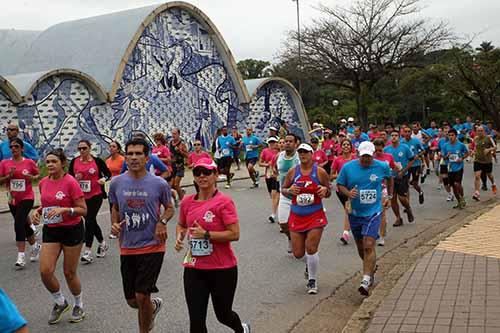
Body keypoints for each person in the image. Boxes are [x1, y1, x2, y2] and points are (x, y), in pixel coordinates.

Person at [175, 158, 251, 333]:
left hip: (222, 268)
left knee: (223, 315)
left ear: (216, 175)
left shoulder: (224, 202)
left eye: (207, 172)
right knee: (196, 321)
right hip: (194, 268)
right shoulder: (187, 202)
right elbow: (181, 224)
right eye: (197, 172)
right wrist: (180, 235)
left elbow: (235, 234)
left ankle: (241, 329)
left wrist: (207, 234)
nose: (202, 176)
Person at [109, 138, 174, 333]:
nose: (134, 157)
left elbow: (169, 208)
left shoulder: (159, 183)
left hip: (153, 245)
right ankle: (152, 308)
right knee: (132, 300)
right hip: (127, 246)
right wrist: (114, 224)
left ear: (147, 157)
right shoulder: (116, 183)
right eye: (130, 153)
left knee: (141, 295)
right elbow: (115, 207)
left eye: (139, 153)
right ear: (125, 157)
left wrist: (162, 222)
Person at [31, 149, 87, 325]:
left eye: (54, 161)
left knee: (69, 272)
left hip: (72, 229)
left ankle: (79, 304)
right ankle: (60, 302)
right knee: (45, 271)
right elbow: (48, 203)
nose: (50, 165)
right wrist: (39, 211)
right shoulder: (43, 183)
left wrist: (66, 210)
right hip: (52, 230)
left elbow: (83, 210)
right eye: (47, 162)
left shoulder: (71, 182)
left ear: (62, 163)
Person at [337, 141, 393, 296]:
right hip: (355, 213)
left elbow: (390, 178)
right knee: (362, 249)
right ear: (358, 154)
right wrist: (348, 194)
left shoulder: (382, 166)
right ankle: (370, 267)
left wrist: (388, 195)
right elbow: (340, 185)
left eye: (369, 156)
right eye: (363, 157)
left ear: (374, 154)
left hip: (373, 212)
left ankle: (366, 280)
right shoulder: (348, 168)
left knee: (369, 244)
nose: (366, 160)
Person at [282, 143, 331, 294]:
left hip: (315, 215)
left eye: (305, 152)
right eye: (300, 152)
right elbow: (283, 190)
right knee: (298, 253)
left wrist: (325, 190)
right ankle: (310, 264)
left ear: (312, 154)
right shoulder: (293, 172)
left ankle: (312, 280)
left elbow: (329, 191)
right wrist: (289, 190)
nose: (303, 155)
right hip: (297, 215)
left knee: (311, 248)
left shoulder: (320, 172)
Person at [69, 140, 111, 264]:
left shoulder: (97, 161)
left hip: (95, 195)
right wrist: (75, 179)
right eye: (80, 148)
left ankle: (87, 251)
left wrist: (103, 179)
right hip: (81, 196)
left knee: (89, 220)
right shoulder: (74, 161)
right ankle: (102, 243)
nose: (82, 151)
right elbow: (69, 177)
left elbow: (108, 174)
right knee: (91, 221)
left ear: (90, 148)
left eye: (84, 148)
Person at [0, 138, 40, 268]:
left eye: (16, 146)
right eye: (11, 147)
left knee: (18, 223)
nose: (13, 149)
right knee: (23, 224)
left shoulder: (29, 162)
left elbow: (37, 175)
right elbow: (0, 181)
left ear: (22, 149)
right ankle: (35, 246)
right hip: (12, 199)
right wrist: (8, 177)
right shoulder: (4, 163)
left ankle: (21, 255)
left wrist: (31, 177)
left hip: (27, 197)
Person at [275, 134, 300, 253]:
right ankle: (290, 238)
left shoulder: (299, 157)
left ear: (296, 143)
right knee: (283, 223)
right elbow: (274, 168)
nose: (287, 143)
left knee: (301, 224)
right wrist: (275, 175)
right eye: (286, 141)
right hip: (284, 195)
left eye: (290, 141)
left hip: (299, 195)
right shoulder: (279, 156)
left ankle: (301, 243)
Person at [384, 130, 415, 226]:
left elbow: (411, 160)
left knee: (402, 197)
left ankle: (408, 208)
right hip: (391, 177)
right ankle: (398, 218)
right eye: (392, 135)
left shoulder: (404, 147)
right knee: (392, 198)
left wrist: (403, 171)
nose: (394, 137)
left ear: (399, 137)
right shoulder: (386, 149)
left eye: (396, 135)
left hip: (402, 176)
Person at [331, 139, 356, 245]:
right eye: (344, 145)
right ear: (341, 147)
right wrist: (341, 174)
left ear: (351, 147)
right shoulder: (337, 160)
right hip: (341, 189)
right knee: (348, 210)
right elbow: (331, 175)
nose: (346, 146)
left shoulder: (355, 159)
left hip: (354, 188)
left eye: (348, 145)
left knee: (349, 210)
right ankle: (349, 231)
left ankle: (346, 233)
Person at [373, 139, 397, 246]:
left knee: (382, 213)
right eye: (376, 150)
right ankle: (381, 228)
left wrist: (390, 194)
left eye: (380, 150)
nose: (378, 152)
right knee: (375, 214)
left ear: (383, 148)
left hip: (383, 188)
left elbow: (393, 170)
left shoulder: (388, 157)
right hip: (372, 188)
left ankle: (381, 237)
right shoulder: (371, 158)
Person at [442, 129, 470, 209]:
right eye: (449, 135)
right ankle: (459, 201)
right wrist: (446, 156)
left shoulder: (461, 145)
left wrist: (462, 158)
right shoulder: (445, 146)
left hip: (459, 167)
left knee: (457, 183)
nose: (451, 137)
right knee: (453, 186)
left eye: (452, 135)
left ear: (456, 136)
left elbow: (467, 153)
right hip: (450, 168)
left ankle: (462, 197)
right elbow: (443, 157)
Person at [105, 140, 125, 239]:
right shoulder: (107, 160)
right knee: (112, 208)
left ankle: (122, 227)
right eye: (110, 146)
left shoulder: (122, 160)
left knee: (120, 208)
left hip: (121, 186)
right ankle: (114, 228)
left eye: (113, 146)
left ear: (118, 149)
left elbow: (126, 172)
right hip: (111, 187)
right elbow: (106, 174)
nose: (111, 148)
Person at [472, 126, 497, 200]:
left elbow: (495, 147)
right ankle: (477, 193)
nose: (480, 132)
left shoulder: (488, 138)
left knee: (489, 175)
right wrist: (473, 152)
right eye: (478, 131)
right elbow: (475, 147)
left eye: (481, 130)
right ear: (476, 131)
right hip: (478, 160)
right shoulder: (476, 138)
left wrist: (489, 149)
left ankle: (493, 184)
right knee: (477, 176)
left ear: (484, 131)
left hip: (487, 161)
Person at [401, 126, 425, 204]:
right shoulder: (401, 142)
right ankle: (407, 203)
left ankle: (420, 192)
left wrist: (418, 155)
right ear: (403, 133)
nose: (407, 133)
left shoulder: (416, 141)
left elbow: (423, 150)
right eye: (406, 131)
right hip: (406, 166)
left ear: (411, 133)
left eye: (409, 131)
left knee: (414, 184)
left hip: (416, 165)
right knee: (406, 185)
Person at [259, 136, 280, 223]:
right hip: (268, 175)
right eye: (270, 142)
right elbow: (260, 163)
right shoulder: (265, 151)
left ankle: (274, 214)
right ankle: (278, 209)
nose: (272, 144)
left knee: (275, 194)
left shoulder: (280, 152)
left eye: (274, 142)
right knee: (272, 196)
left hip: (278, 175)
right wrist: (267, 165)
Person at [170, 128, 188, 201]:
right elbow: (169, 153)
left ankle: (182, 200)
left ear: (178, 134)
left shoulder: (182, 143)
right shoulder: (170, 143)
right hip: (172, 166)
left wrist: (180, 151)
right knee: (171, 185)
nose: (173, 135)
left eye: (175, 134)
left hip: (179, 166)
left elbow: (187, 155)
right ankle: (181, 191)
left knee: (176, 184)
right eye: (172, 134)